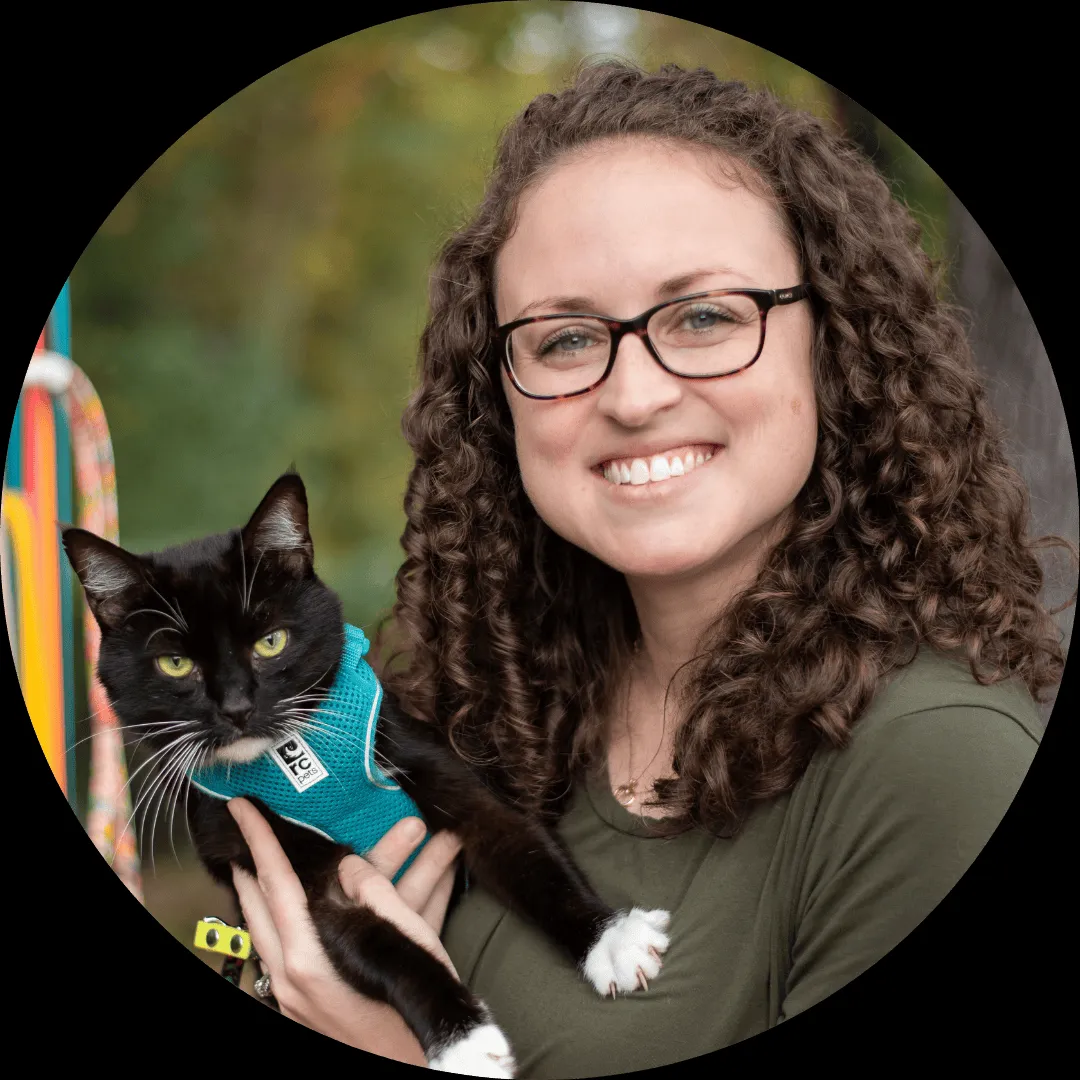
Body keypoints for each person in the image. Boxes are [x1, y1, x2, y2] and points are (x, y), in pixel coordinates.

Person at [226, 61, 1073, 1076]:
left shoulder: (940, 765)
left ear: (835, 342)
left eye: (706, 316)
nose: (633, 393)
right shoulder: (484, 720)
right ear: (499, 397)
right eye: (567, 338)